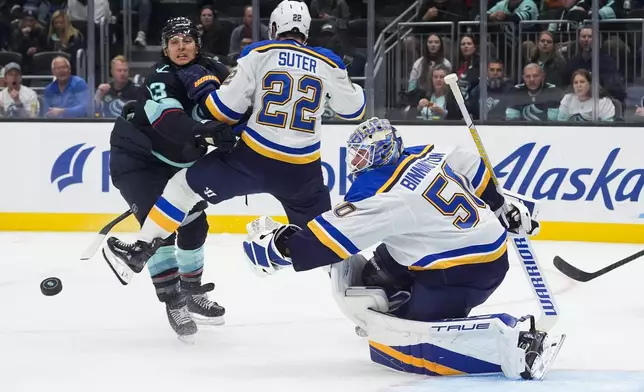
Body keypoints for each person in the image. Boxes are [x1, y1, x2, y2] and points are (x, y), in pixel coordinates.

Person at [241, 117, 560, 379]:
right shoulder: (423, 153)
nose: (356, 162)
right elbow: (468, 161)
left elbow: (327, 243)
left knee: (401, 343)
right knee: (371, 276)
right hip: (470, 244)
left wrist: (277, 247)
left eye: (362, 155)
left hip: (463, 271)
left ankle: (517, 343)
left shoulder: (382, 195)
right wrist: (503, 205)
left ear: (380, 152)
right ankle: (407, 296)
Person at [101, 1, 365, 292]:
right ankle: (365, 290)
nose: (181, 46)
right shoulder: (327, 62)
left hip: (253, 159)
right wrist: (343, 76)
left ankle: (138, 251)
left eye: (187, 40)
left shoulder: (259, 52)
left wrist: (203, 91)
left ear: (274, 27)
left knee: (181, 189)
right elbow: (354, 110)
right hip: (303, 172)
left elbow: (223, 109)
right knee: (326, 239)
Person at [103, 16, 236, 343]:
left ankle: (191, 291)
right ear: (164, 48)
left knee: (194, 225)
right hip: (137, 160)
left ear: (197, 44)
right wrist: (208, 131)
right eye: (173, 42)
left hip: (176, 165)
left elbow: (248, 88)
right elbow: (171, 124)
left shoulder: (214, 69)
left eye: (186, 40)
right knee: (159, 230)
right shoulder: (158, 77)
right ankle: (173, 300)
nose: (180, 47)